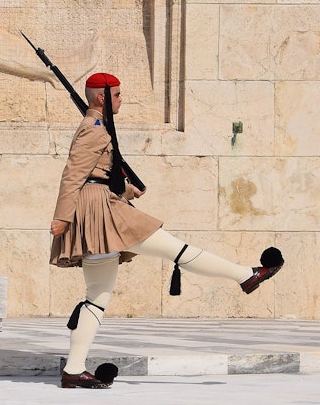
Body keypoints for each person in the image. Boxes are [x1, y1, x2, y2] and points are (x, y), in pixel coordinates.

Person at [49, 72, 284, 389]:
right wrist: (61, 218)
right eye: (117, 95)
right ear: (101, 97)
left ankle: (74, 370)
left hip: (99, 209)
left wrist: (126, 191)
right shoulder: (94, 129)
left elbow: (95, 175)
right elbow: (73, 176)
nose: (122, 99)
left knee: (95, 299)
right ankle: (246, 275)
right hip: (102, 213)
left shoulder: (96, 127)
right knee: (177, 250)